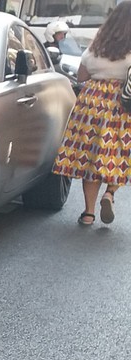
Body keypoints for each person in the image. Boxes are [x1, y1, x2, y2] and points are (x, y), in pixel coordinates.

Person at [53, 1, 131, 225]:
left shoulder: (99, 43)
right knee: (119, 154)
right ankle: (110, 193)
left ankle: (88, 213)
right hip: (123, 102)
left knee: (91, 156)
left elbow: (81, 76)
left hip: (93, 101)